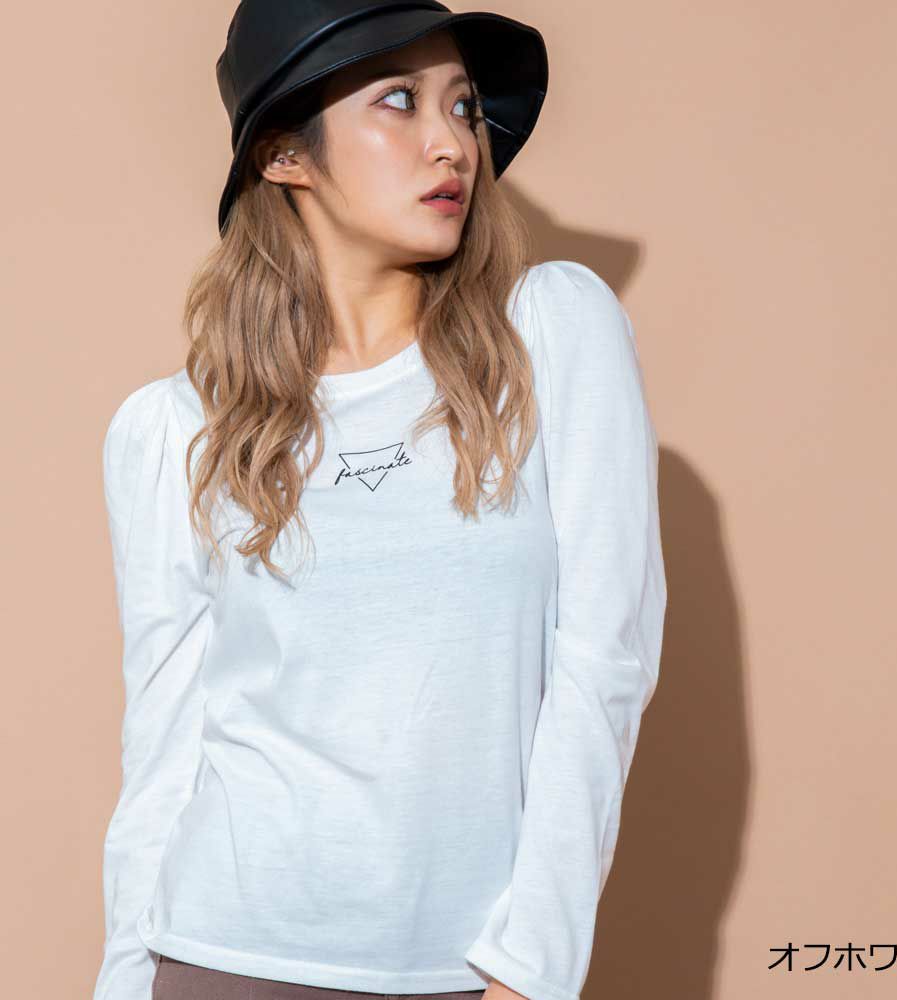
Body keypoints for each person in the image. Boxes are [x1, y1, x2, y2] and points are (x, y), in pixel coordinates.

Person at [92, 2, 667, 999]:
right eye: (399, 102)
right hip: (227, 957)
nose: (453, 145)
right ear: (285, 155)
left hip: (471, 968)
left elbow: (603, 664)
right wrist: (122, 980)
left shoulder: (553, 335)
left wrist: (529, 971)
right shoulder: (176, 428)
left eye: (463, 106)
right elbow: (163, 747)